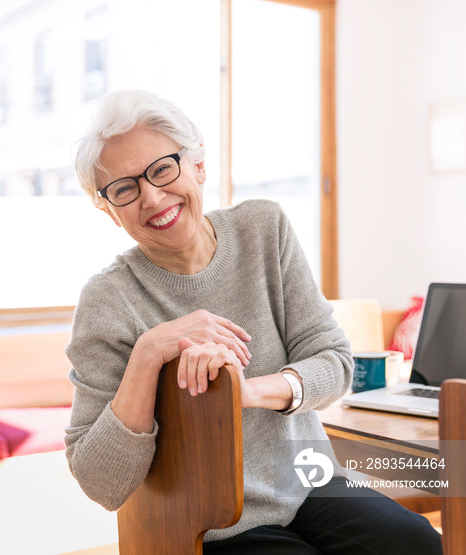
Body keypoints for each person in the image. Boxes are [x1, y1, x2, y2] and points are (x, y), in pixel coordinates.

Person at [65, 90, 441, 554]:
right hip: (206, 519)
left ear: (197, 164)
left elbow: (334, 361)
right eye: (125, 189)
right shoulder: (107, 300)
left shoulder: (265, 228)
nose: (152, 196)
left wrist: (245, 393)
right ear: (109, 210)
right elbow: (100, 482)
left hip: (308, 482)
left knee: (415, 541)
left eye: (162, 169)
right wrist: (149, 353)